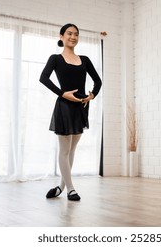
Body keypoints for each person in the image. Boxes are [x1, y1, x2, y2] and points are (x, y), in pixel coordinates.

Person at [39, 23, 102, 201]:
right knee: (64, 149)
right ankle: (71, 189)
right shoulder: (55, 58)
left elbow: (98, 81)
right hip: (65, 106)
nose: (73, 37)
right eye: (69, 33)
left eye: (76, 34)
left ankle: (60, 186)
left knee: (72, 149)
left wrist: (91, 95)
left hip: (81, 106)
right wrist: (62, 93)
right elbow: (43, 78)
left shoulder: (85, 59)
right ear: (61, 36)